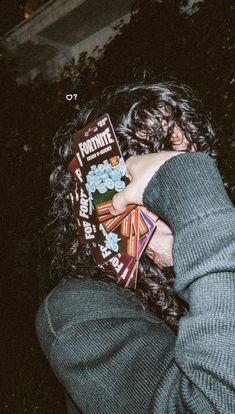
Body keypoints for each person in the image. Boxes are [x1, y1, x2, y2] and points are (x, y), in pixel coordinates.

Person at [36, 83, 235, 413]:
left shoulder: (209, 264)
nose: (179, 203)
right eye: (158, 181)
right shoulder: (75, 312)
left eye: (189, 168)